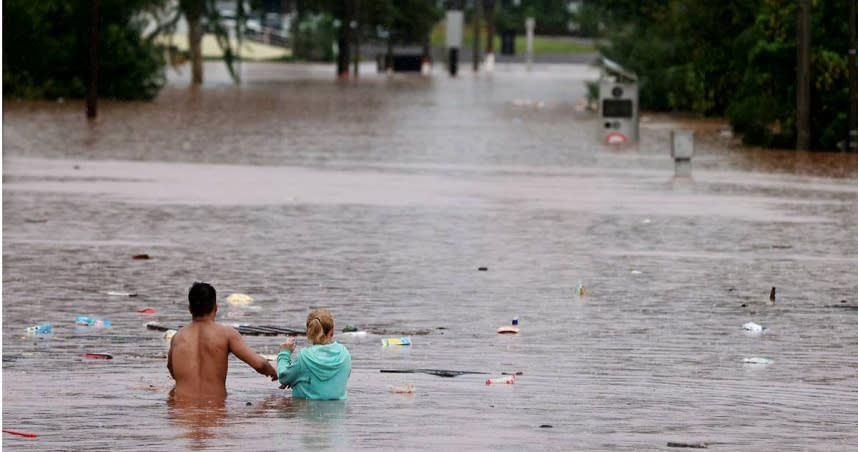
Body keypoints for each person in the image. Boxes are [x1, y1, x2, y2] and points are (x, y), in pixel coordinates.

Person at [168, 282, 277, 400]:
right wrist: (273, 371)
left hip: (181, 412)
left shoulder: (177, 337)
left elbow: (171, 368)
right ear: (216, 307)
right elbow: (259, 364)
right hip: (215, 410)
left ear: (189, 308)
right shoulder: (226, 334)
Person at [277, 309, 351, 400]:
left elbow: (283, 377)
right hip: (338, 412)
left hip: (308, 411)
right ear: (332, 332)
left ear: (309, 332)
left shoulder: (303, 357)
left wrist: (284, 353)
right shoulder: (344, 354)